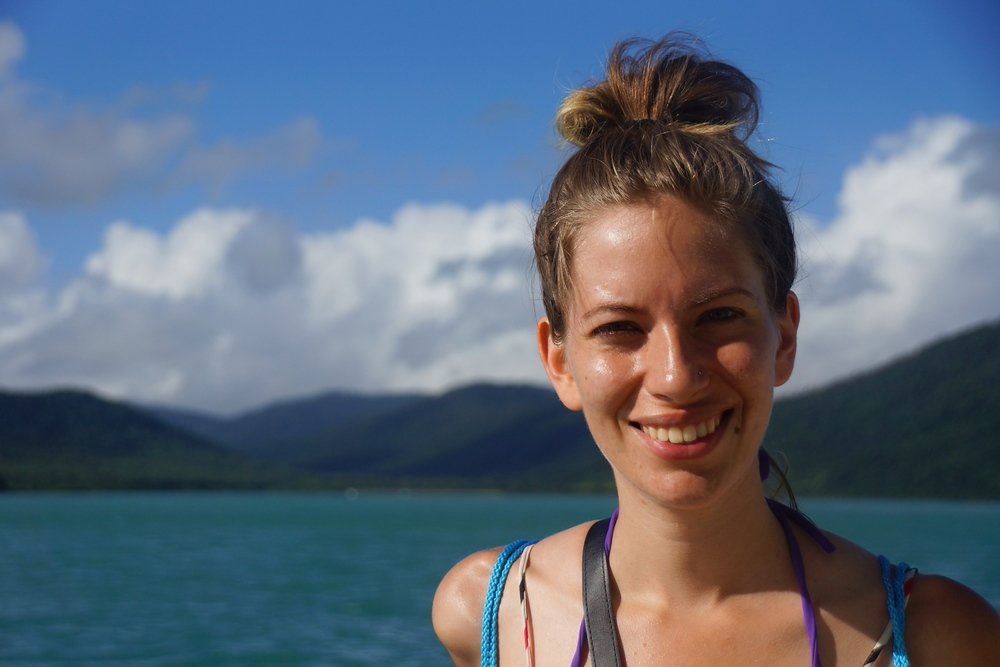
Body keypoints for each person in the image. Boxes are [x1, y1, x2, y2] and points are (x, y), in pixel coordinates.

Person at [432, 35, 1000, 666]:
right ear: (559, 360)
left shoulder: (937, 636)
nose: (676, 376)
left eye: (719, 317)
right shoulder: (495, 611)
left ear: (783, 337)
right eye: (620, 328)